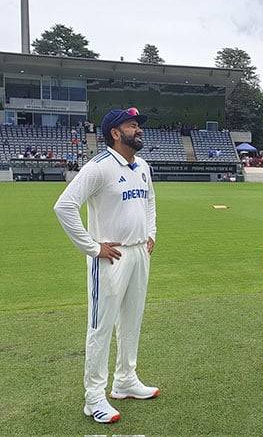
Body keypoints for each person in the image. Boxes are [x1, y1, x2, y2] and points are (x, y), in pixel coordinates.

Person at [54, 107, 158, 424]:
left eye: (138, 125)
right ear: (115, 133)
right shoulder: (98, 167)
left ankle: (126, 379)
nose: (138, 129)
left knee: (131, 321)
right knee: (100, 327)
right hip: (110, 257)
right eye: (132, 125)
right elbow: (64, 206)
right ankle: (94, 397)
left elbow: (150, 200)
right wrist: (92, 247)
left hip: (140, 253)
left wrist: (151, 233)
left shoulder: (142, 166)